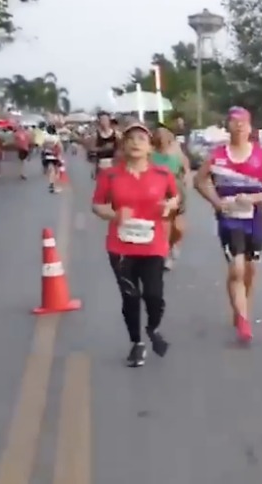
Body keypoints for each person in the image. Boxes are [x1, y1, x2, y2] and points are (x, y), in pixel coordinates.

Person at [91, 121, 180, 367]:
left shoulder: (162, 174)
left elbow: (175, 197)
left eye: (141, 139)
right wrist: (115, 214)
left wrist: (169, 206)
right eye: (130, 138)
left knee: (153, 295)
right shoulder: (109, 174)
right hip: (121, 247)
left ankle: (152, 328)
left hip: (153, 244)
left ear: (150, 146)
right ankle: (137, 343)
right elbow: (97, 205)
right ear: (123, 144)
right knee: (130, 296)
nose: (135, 143)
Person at [194, 107, 262, 344]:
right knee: (237, 268)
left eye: (243, 122)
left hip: (254, 219)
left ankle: (243, 307)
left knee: (251, 270)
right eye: (234, 122)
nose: (239, 126)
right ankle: (243, 320)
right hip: (228, 218)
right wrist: (216, 201)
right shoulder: (217, 155)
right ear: (228, 126)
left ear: (250, 127)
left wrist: (254, 199)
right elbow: (199, 181)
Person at [150, 126, 190, 270]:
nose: (162, 140)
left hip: (177, 191)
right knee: (164, 227)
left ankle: (173, 244)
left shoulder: (176, 150)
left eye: (164, 136)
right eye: (158, 136)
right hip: (159, 193)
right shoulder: (150, 154)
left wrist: (186, 178)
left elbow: (185, 167)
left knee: (178, 228)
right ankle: (165, 254)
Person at [90, 112, 120, 179]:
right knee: (103, 186)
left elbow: (121, 148)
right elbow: (92, 149)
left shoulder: (116, 134)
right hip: (102, 163)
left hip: (113, 162)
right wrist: (103, 148)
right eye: (101, 120)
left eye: (105, 119)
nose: (104, 122)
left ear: (109, 121)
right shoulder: (96, 135)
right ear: (99, 122)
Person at [41, 125, 64, 193]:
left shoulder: (45, 137)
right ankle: (53, 186)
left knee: (51, 170)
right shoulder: (56, 138)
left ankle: (51, 184)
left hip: (47, 155)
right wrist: (61, 155)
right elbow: (60, 147)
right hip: (54, 155)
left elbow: (42, 146)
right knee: (55, 171)